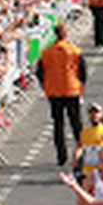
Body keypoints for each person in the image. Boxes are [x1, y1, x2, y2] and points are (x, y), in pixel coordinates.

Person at [36, 21, 86, 168]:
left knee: (58, 124)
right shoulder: (74, 51)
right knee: (76, 123)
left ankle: (61, 156)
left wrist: (45, 86)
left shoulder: (46, 52)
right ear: (66, 34)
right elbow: (83, 71)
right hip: (72, 89)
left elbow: (40, 72)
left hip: (54, 91)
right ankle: (81, 153)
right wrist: (81, 85)